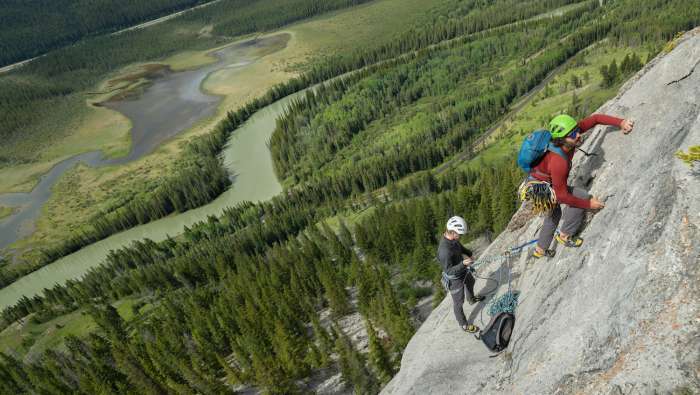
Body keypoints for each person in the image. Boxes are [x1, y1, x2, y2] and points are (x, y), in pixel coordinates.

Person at [532, 113, 634, 258]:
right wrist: (588, 204)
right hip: (542, 188)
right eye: (573, 134)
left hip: (537, 182)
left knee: (554, 214)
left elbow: (595, 119)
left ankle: (539, 250)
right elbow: (562, 196)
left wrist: (621, 122)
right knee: (580, 196)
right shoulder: (558, 161)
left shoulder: (569, 137)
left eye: (577, 130)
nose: (578, 134)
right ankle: (565, 235)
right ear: (561, 140)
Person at [437, 216, 485, 333]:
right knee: (458, 302)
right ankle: (463, 324)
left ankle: (472, 299)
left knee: (471, 281)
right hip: (454, 279)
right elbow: (449, 271)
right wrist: (463, 264)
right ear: (453, 232)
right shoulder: (444, 250)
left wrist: (469, 253)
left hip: (462, 270)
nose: (461, 236)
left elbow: (460, 247)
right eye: (459, 234)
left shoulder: (453, 240)